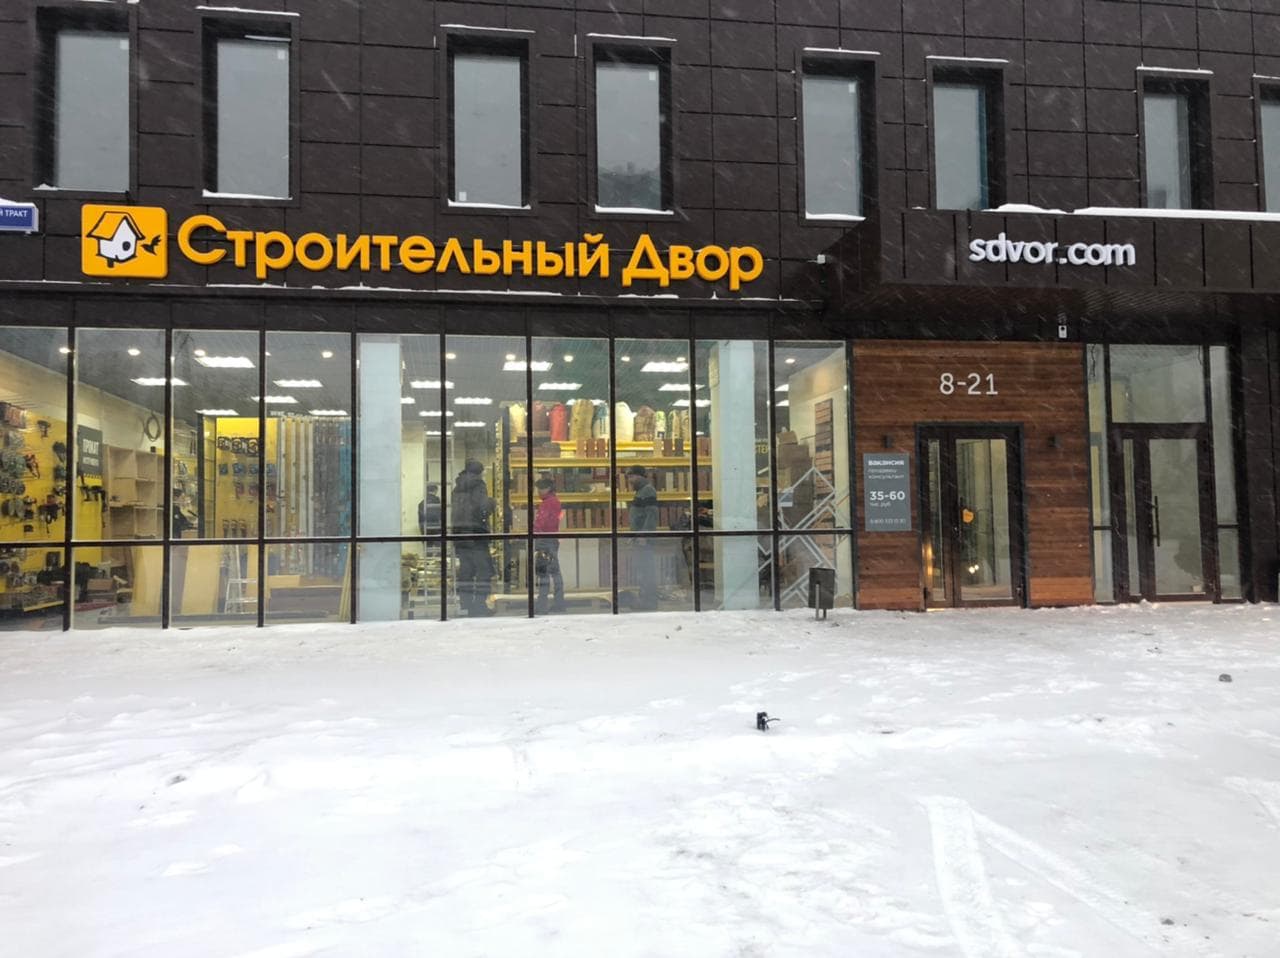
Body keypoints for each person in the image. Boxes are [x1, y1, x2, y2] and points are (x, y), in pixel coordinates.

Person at [450, 459, 495, 616]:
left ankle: (466, 605)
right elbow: (482, 509)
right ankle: (480, 606)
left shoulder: (457, 488)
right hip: (477, 535)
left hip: (461, 536)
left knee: (466, 572)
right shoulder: (479, 485)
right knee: (484, 571)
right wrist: (492, 503)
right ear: (480, 472)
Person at [626, 465, 659, 609]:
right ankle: (645, 599)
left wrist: (644, 536)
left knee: (647, 570)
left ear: (640, 476)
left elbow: (651, 515)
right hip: (639, 538)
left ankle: (649, 602)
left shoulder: (648, 490)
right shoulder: (641, 491)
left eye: (632, 476)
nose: (630, 480)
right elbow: (639, 517)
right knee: (642, 570)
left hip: (644, 540)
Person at [533, 477, 565, 613]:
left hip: (544, 540)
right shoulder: (555, 501)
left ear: (548, 489)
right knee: (554, 572)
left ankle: (542, 605)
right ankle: (559, 602)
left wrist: (533, 530)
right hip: (552, 539)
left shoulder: (547, 503)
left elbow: (542, 522)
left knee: (544, 573)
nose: (538, 492)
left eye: (540, 489)